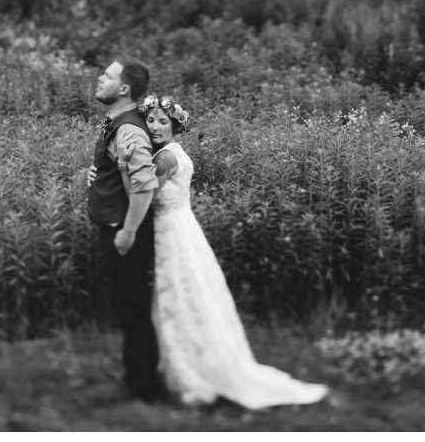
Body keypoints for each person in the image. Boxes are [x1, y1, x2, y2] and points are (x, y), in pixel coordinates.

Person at [119, 94, 330, 409]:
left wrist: (123, 164)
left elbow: (141, 194)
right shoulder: (167, 152)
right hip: (180, 230)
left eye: (163, 121)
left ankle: (193, 370)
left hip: (172, 234)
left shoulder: (165, 158)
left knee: (179, 296)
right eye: (150, 120)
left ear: (175, 125)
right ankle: (180, 361)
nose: (155, 126)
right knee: (185, 295)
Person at [86, 58, 166, 402]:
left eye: (108, 75)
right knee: (128, 307)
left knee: (133, 309)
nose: (100, 77)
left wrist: (129, 231)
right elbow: (120, 171)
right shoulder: (118, 123)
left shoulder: (129, 129)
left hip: (125, 230)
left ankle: (144, 387)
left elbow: (145, 186)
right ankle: (137, 379)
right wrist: (95, 174)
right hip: (116, 225)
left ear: (124, 89)